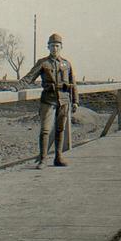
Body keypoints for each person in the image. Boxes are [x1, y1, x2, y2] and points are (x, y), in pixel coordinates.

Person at [18, 33, 78, 169]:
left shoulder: (67, 64)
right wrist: (16, 87)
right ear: (48, 47)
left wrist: (75, 101)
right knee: (45, 129)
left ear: (61, 47)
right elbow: (29, 77)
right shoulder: (43, 63)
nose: (54, 48)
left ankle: (58, 157)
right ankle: (43, 159)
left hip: (64, 100)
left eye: (57, 46)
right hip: (48, 99)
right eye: (52, 46)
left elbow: (73, 83)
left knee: (60, 129)